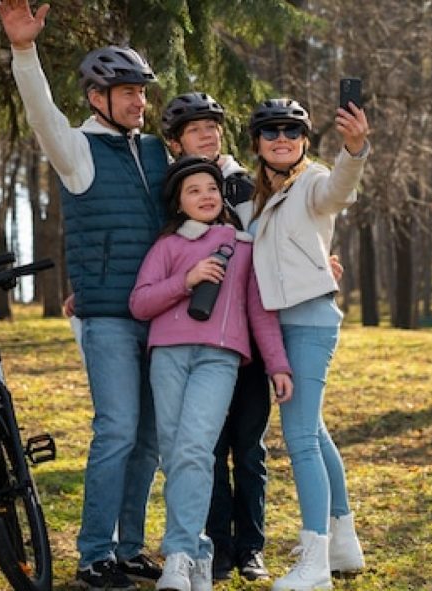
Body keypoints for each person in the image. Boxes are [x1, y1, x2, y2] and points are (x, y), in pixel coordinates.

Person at [0, 1, 167, 588]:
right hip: (109, 319)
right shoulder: (78, 152)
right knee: (118, 429)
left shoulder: (156, 152)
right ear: (98, 98)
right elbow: (41, 113)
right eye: (127, 92)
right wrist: (25, 50)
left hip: (161, 316)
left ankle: (129, 547)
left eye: (142, 91)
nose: (139, 101)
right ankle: (95, 553)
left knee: (148, 438)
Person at [129, 156, 293, 591]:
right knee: (174, 453)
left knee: (196, 450)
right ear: (179, 203)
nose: (205, 196)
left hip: (219, 360)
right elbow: (140, 303)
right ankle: (198, 554)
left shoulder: (242, 247)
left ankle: (178, 555)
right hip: (167, 356)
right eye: (193, 190)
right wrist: (186, 280)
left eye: (211, 189)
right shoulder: (166, 247)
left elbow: (260, 313)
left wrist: (277, 364)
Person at [243, 98, 369, 591]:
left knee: (298, 437)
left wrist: (354, 149)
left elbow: (339, 189)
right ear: (257, 142)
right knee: (312, 430)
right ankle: (343, 541)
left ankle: (314, 561)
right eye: (271, 131)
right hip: (276, 324)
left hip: (312, 321)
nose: (281, 138)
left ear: (304, 141)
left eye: (291, 131)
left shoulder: (313, 181)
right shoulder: (253, 196)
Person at [160, 92, 274, 583]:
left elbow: (275, 241)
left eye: (213, 127)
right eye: (195, 129)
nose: (207, 134)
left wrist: (321, 261)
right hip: (193, 341)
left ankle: (251, 547)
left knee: (248, 446)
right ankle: (216, 546)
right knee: (205, 446)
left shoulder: (247, 186)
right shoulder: (172, 192)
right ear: (175, 142)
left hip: (248, 335)